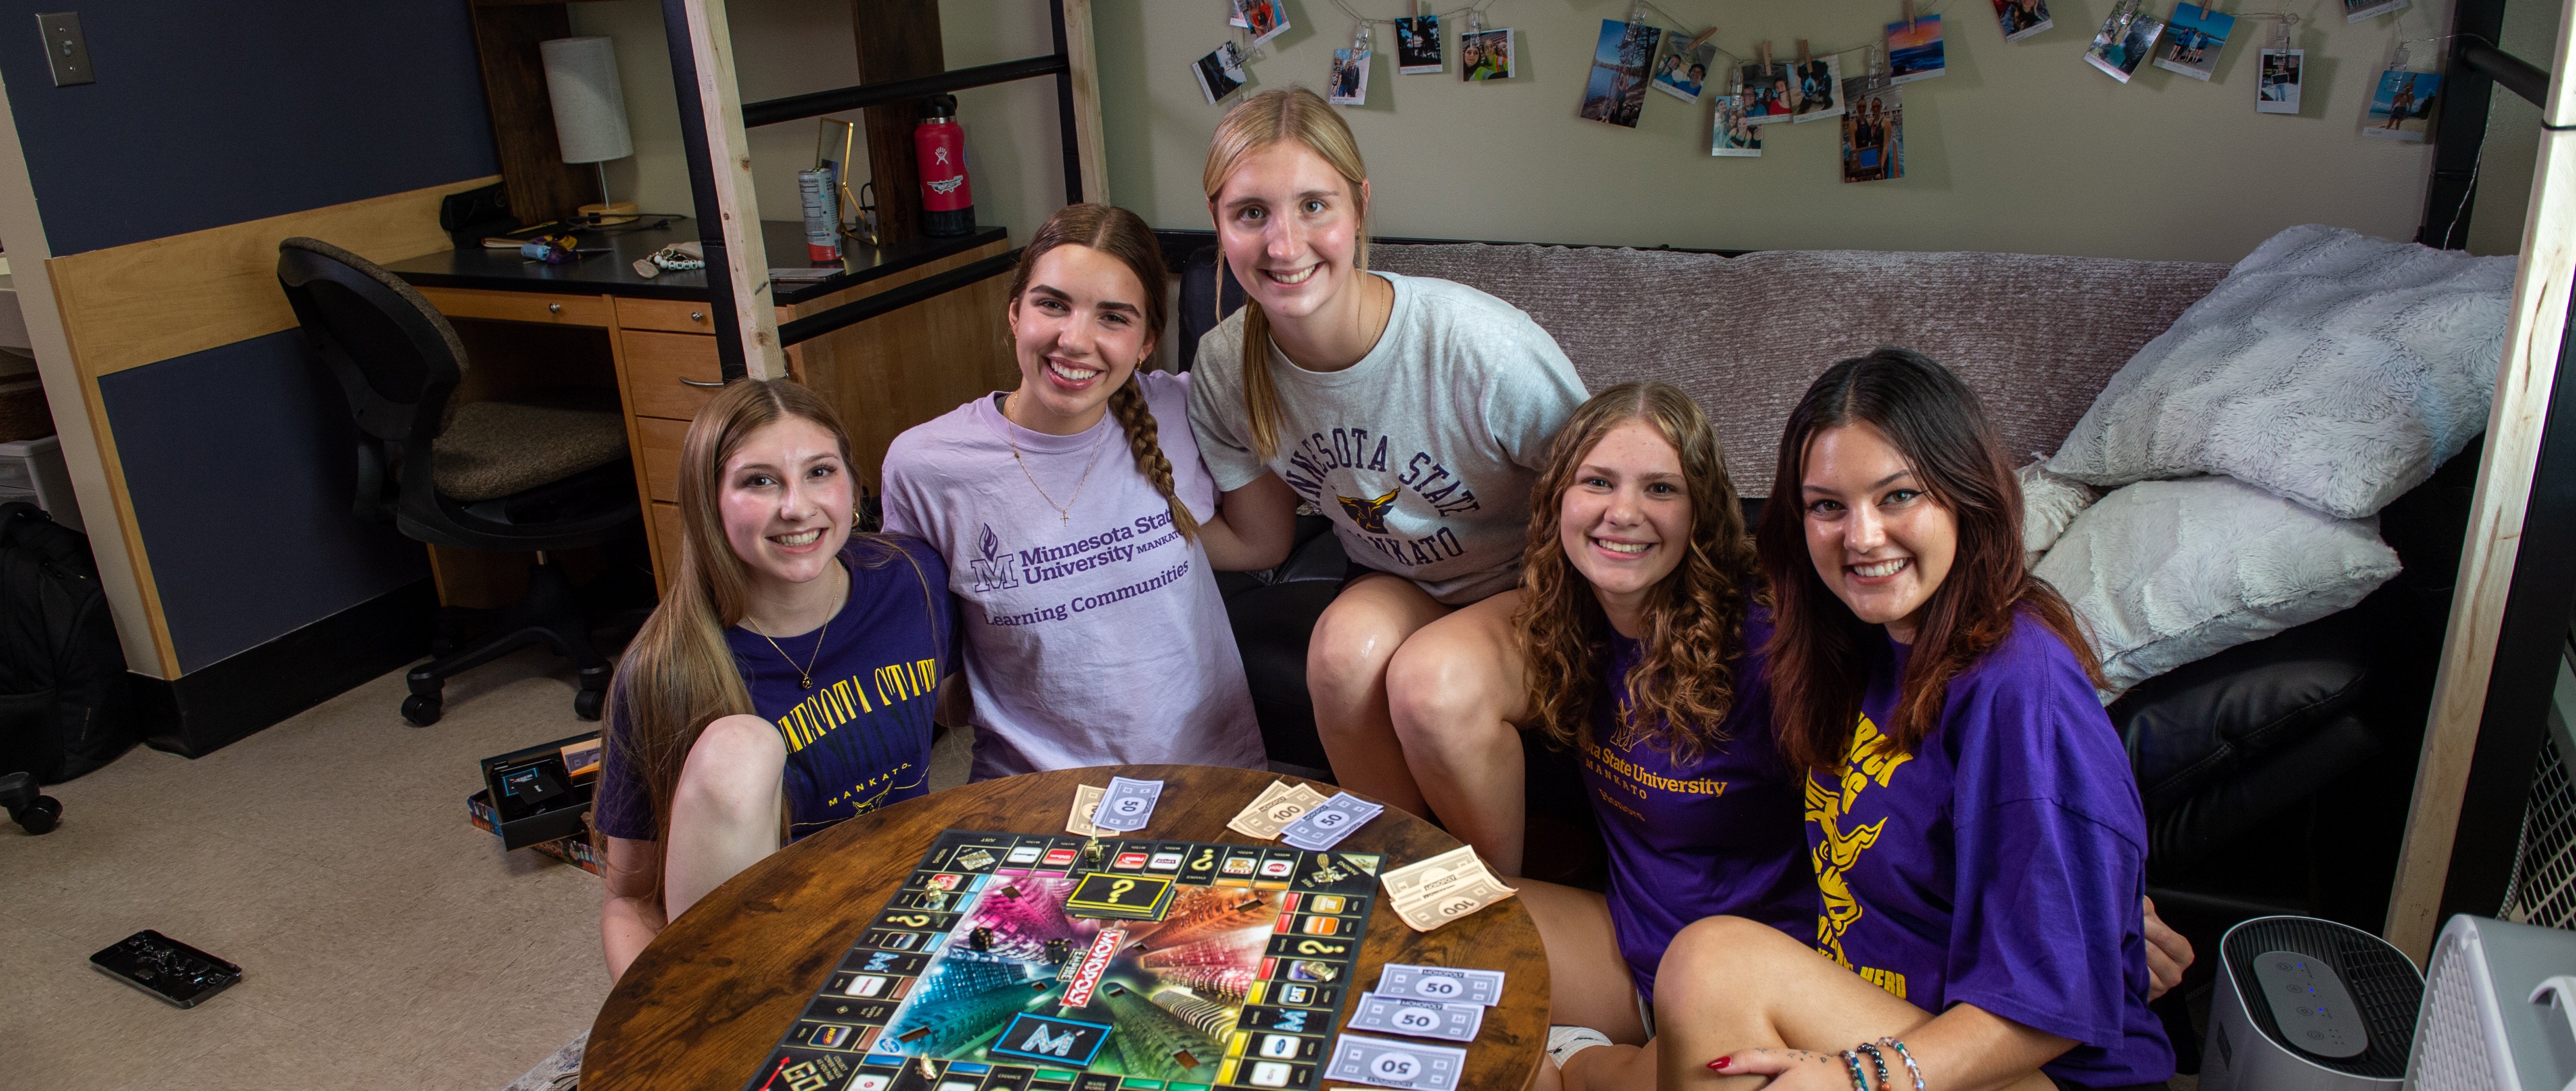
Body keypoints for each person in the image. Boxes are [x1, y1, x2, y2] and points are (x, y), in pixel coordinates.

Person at [1651, 349, 2178, 1090]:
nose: (1861, 537)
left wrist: (1853, 1077)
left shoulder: (2021, 686)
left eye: (1898, 497)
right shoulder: (1853, 641)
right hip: (1895, 1009)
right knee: (1608, 1066)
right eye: (1828, 506)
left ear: (1966, 497)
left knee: (1713, 965)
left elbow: (2052, 1005)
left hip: (2037, 1070)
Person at [1184, 87, 1588, 873]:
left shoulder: (1483, 349)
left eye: (1313, 205)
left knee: (1431, 684)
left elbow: (1607, 508)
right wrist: (1125, 531)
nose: (1284, 243)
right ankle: (1403, 875)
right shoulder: (1226, 364)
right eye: (1252, 213)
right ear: (1218, 224)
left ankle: (1490, 903)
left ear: (1360, 207)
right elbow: (1262, 538)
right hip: (1402, 580)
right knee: (1339, 652)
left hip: (1539, 584)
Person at [882, 203, 1284, 780]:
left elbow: (1257, 544)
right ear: (1016, 313)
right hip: (1033, 797)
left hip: (1207, 779)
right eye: (1053, 304)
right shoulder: (927, 466)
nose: (1075, 340)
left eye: (1113, 318)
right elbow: (926, 682)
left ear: (1147, 342)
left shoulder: (1180, 409)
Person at [1488, 384, 1815, 1090]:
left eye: (1660, 488)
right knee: (1411, 919)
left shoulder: (1768, 652)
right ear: (1558, 501)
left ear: (1700, 512)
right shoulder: (1570, 618)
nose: (1623, 513)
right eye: (1598, 482)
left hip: (1740, 990)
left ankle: (1584, 1062)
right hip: (1626, 948)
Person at [595, 378, 957, 981]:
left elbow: (960, 702)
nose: (796, 506)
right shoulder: (667, 669)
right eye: (759, 481)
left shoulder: (911, 578)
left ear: (852, 484)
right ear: (708, 500)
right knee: (743, 745)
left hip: (911, 911)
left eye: (819, 472)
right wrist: (662, 1026)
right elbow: (629, 898)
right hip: (769, 952)